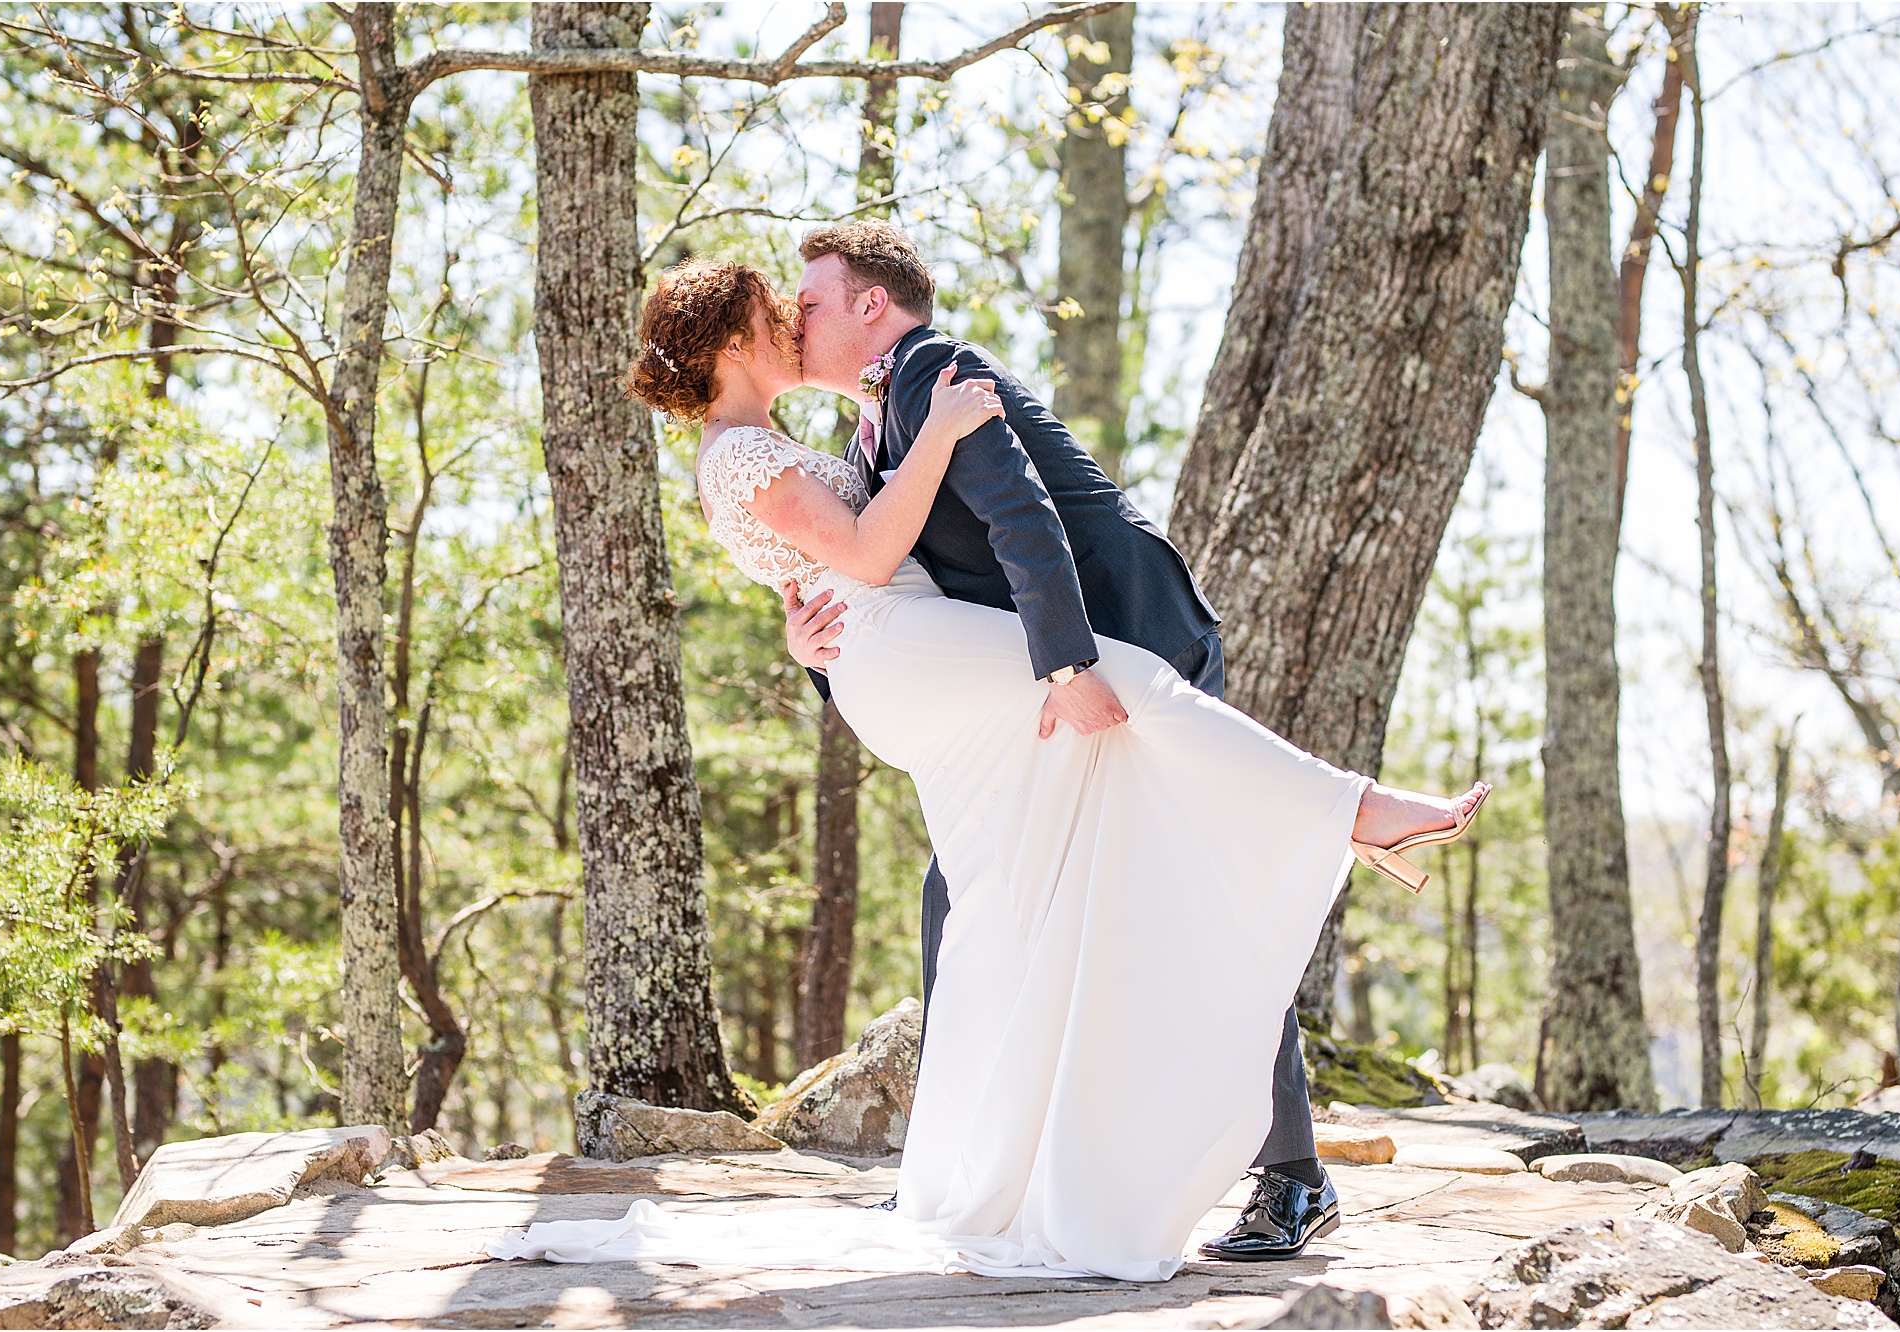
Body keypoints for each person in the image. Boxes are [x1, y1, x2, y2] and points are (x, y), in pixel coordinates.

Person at [486, 256, 1486, 1282]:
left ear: (870, 306)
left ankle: (1134, 1160)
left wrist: (1048, 649)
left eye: (810, 299)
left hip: (1091, 620)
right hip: (945, 657)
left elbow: (1014, 521)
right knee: (1031, 860)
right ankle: (1351, 819)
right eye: (775, 309)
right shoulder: (795, 441)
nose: (794, 317)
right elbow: (865, 559)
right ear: (736, 339)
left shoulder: (922, 376)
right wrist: (834, 619)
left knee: (1041, 878)